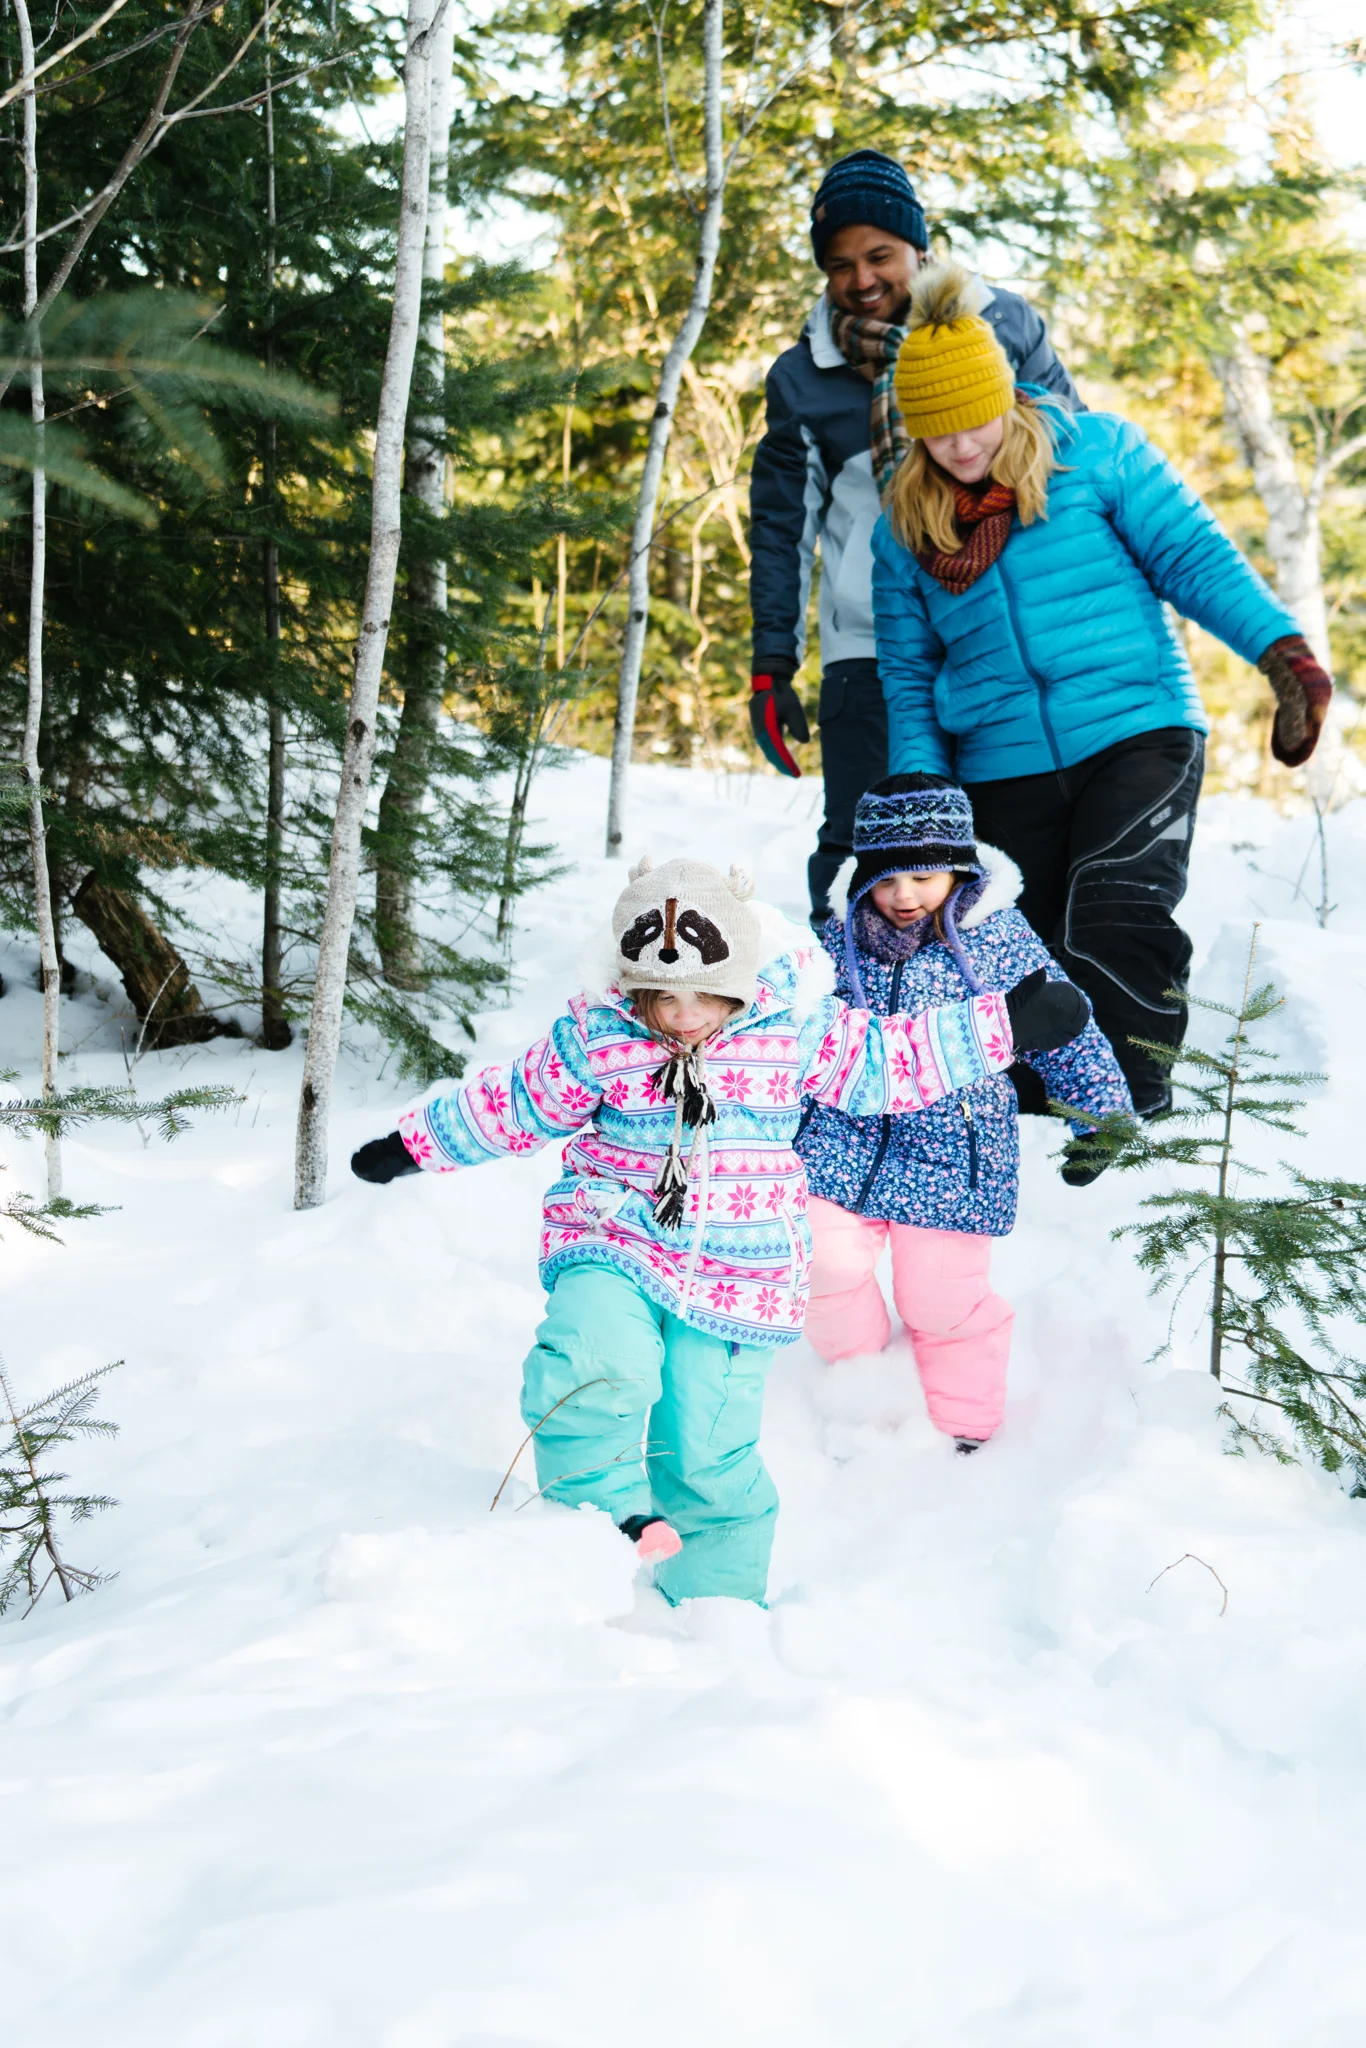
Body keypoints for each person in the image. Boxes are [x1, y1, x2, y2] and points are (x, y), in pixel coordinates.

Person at [351, 855, 1091, 1607]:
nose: (682, 1016)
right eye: (660, 998)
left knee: (708, 1450)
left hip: (743, 1265)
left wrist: (1005, 1023)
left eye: (704, 995)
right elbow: (515, 1100)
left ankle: (715, 1607)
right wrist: (416, 1145)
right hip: (618, 1236)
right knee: (594, 1365)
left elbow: (888, 1059)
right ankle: (594, 1526)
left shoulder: (790, 1026)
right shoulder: (601, 1034)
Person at [872, 261, 1333, 1117]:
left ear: (1006, 395)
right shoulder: (903, 529)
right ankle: (1042, 1119)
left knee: (1115, 907)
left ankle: (1133, 1113)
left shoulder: (1099, 452)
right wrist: (924, 788)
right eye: (940, 435)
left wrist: (1282, 656)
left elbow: (1195, 560)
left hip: (1135, 728)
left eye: (977, 422)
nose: (964, 447)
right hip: (999, 761)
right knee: (1018, 946)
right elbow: (906, 671)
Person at [747, 147, 1082, 925]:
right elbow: (782, 528)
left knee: (1008, 843)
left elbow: (1070, 457)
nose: (860, 279)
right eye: (838, 264)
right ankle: (852, 1027)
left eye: (879, 255)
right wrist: (773, 660)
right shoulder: (803, 377)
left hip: (997, 628)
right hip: (869, 651)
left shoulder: (1002, 329)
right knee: (869, 849)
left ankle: (1004, 1030)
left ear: (919, 250)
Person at [796, 775, 1132, 1451]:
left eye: (922, 876)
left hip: (953, 1151)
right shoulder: (836, 939)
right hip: (840, 1137)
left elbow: (1062, 1024)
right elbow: (791, 1023)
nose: (902, 896)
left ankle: (964, 1430)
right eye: (886, 878)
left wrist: (1100, 1113)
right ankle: (862, 1387)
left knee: (939, 1299)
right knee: (819, 1261)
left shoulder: (997, 938)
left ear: (958, 866)